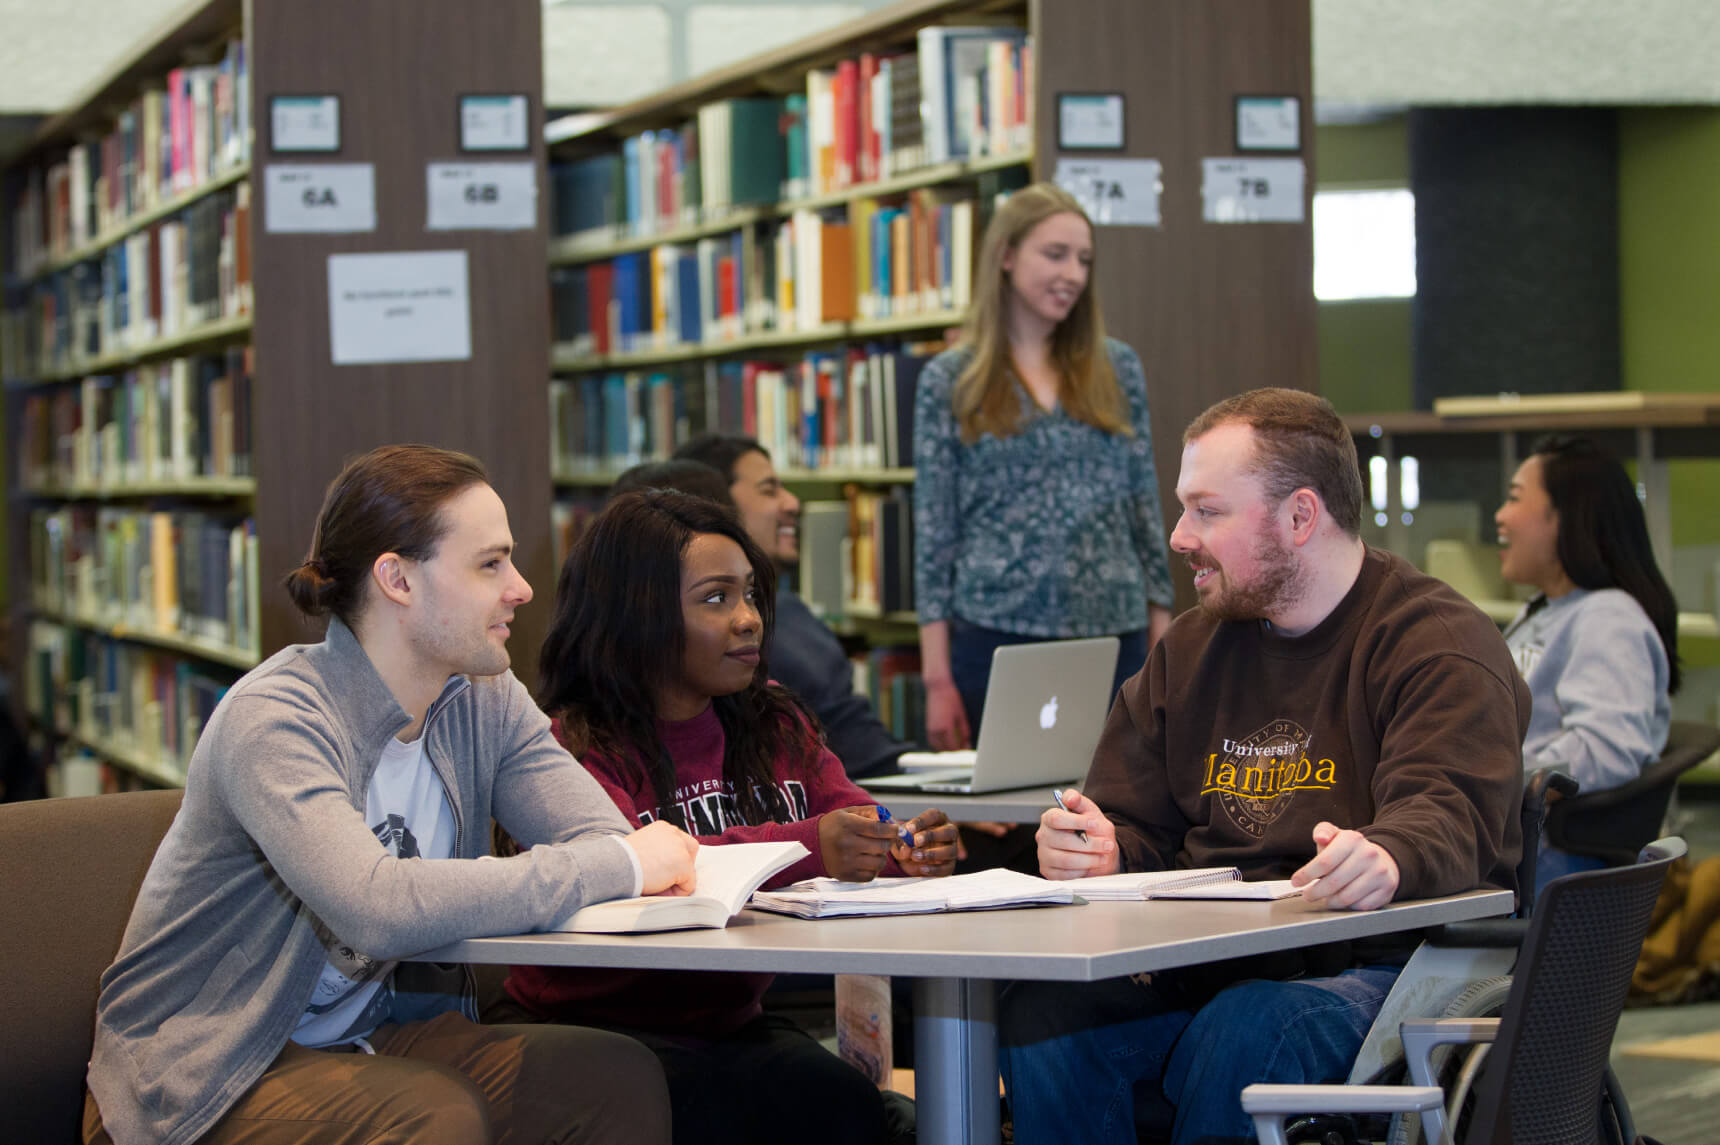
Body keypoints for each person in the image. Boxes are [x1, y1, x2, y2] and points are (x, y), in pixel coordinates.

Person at [84, 444, 696, 1145]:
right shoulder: (277, 717)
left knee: (615, 1077)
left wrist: (618, 861)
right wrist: (620, 864)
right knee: (431, 1116)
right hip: (205, 1070)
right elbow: (374, 906)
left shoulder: (485, 697)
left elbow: (598, 835)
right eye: (490, 563)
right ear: (398, 579)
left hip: (374, 1036)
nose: (523, 588)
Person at [998, 389, 1529, 1145]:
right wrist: (1103, 848)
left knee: (1251, 1025)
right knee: (1044, 1014)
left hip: (1385, 970)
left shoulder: (1436, 641)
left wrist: (1388, 855)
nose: (1180, 536)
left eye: (1207, 511)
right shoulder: (1191, 649)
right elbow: (1134, 820)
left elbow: (1448, 810)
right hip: (1211, 964)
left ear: (1300, 517)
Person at [501, 488, 959, 1145]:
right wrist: (816, 846)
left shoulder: (772, 718)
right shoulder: (572, 747)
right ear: (641, 613)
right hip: (599, 1023)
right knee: (733, 1115)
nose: (748, 619)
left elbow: (847, 814)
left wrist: (899, 845)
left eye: (750, 594)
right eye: (716, 598)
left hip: (725, 1017)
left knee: (849, 1108)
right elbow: (649, 873)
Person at [912, 181, 1175, 753]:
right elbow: (935, 532)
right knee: (1010, 825)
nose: (1073, 274)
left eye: (1083, 260)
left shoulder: (1117, 367)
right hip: (995, 634)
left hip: (1114, 632)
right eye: (1055, 254)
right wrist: (936, 676)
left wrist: (1162, 631)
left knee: (1117, 814)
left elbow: (1143, 506)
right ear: (1006, 257)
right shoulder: (950, 380)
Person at [1495, 434, 1679, 888]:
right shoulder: (1542, 608)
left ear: (1567, 518)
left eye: (1515, 498)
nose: (1500, 515)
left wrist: (1486, 777)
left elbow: (1606, 750)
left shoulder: (1608, 618)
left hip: (1542, 865)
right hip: (1510, 847)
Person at [674, 433, 911, 779]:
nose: (792, 504)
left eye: (751, 598)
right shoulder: (721, 646)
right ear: (715, 504)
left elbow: (856, 737)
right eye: (769, 490)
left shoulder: (792, 612)